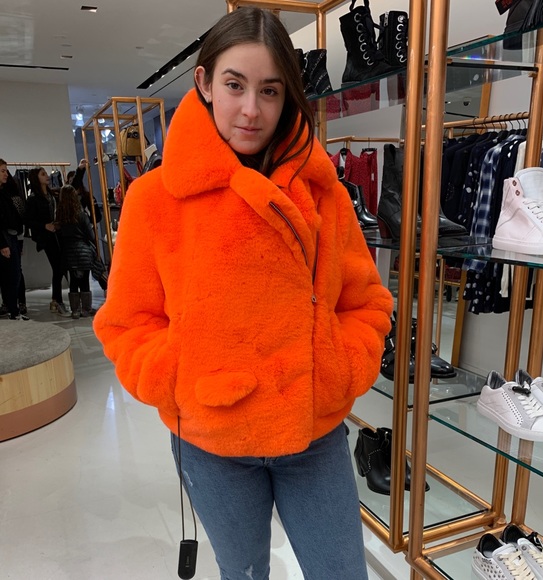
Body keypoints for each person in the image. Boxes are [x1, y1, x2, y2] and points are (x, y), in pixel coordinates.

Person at [93, 8, 393, 579]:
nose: (251, 109)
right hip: (212, 438)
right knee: (245, 573)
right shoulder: (154, 199)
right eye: (235, 85)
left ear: (287, 97)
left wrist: (339, 367)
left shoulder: (322, 192)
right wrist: (176, 377)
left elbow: (365, 300)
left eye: (270, 91)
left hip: (314, 433)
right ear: (204, 83)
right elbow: (126, 321)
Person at [25, 166, 69, 316]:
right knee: (58, 267)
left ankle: (55, 301)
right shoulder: (33, 199)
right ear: (36, 179)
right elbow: (28, 220)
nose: (47, 176)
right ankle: (57, 301)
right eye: (43, 174)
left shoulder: (51, 195)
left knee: (60, 267)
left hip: (58, 234)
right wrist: (45, 226)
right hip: (47, 237)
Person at [56, 184, 99, 319]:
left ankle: (75, 310)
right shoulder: (81, 214)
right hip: (83, 251)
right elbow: (91, 235)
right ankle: (86, 309)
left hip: (69, 252)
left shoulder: (60, 217)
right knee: (85, 281)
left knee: (73, 282)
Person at [0, 159, 28, 320]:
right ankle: (13, 310)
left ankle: (13, 309)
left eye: (6, 170)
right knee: (12, 275)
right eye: (3, 171)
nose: (6, 174)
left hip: (12, 236)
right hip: (5, 238)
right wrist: (2, 244)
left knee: (13, 274)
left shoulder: (5, 192)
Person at [66, 158, 102, 225]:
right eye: (70, 181)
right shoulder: (67, 197)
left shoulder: (87, 196)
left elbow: (98, 216)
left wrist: (87, 221)